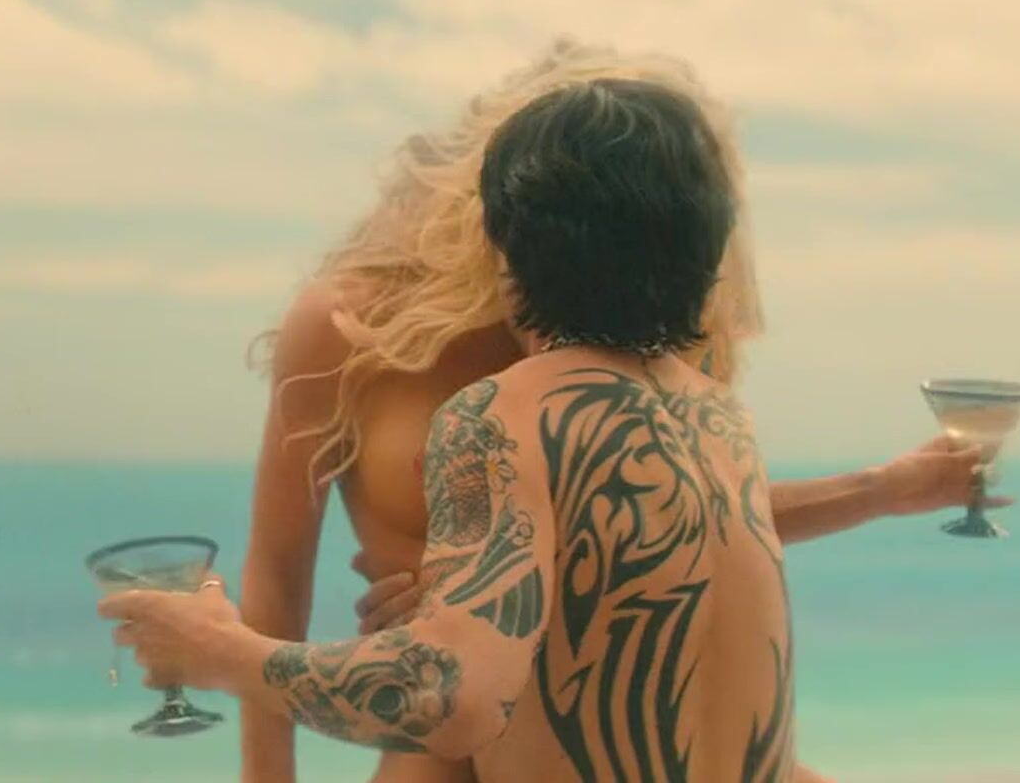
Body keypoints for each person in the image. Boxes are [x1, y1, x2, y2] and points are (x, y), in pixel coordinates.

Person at [233, 42, 999, 781]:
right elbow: (277, 575)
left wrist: (881, 490)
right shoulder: (353, 328)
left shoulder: (638, 332)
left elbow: (676, 512)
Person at [103, 75, 824, 780]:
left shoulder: (500, 415)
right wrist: (461, 593)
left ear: (505, 246)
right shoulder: (717, 419)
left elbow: (454, 701)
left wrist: (219, 651)